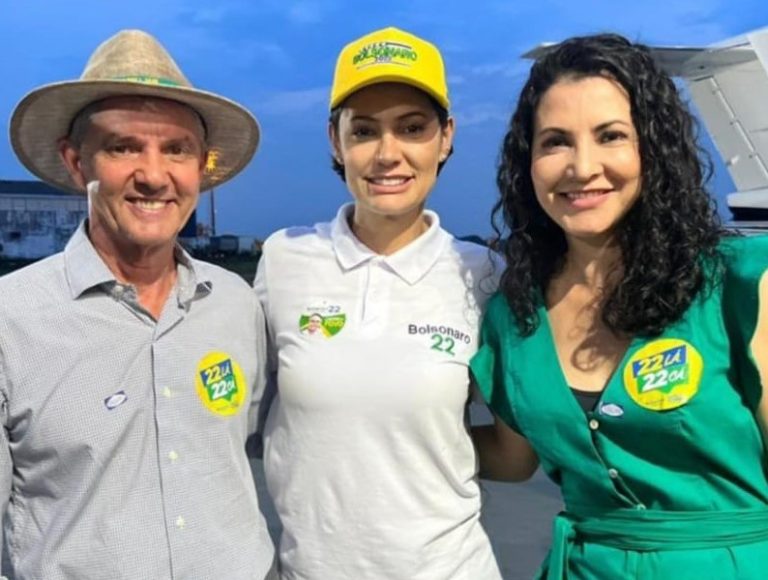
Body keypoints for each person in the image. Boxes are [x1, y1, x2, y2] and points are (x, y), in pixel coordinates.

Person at [470, 33, 768, 579]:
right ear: (527, 162)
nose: (582, 167)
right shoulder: (514, 317)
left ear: (652, 148)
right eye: (555, 142)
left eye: (610, 136)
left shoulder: (739, 285)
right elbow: (512, 460)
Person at [0, 30, 275, 579]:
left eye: (177, 149)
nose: (152, 176)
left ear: (201, 168)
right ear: (77, 163)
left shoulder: (235, 302)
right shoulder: (12, 319)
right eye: (123, 147)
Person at [254, 26, 502, 580]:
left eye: (412, 128)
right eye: (364, 131)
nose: (388, 154)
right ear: (335, 141)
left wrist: (425, 446)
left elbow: (516, 455)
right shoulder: (285, 259)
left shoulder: (484, 275)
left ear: (445, 138)